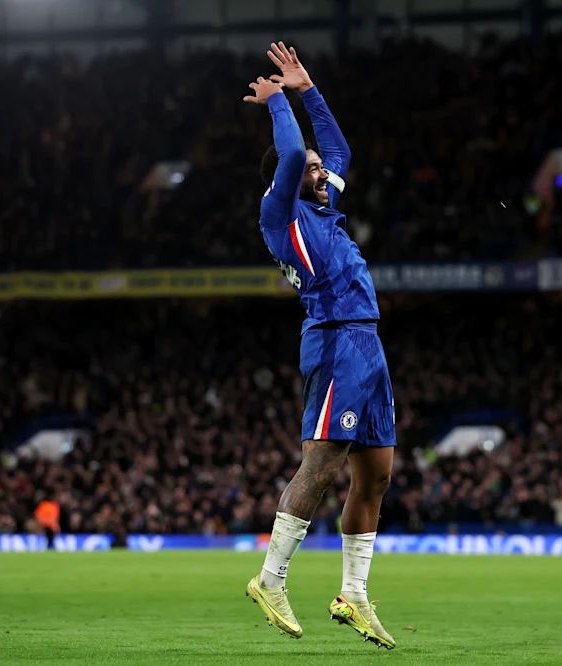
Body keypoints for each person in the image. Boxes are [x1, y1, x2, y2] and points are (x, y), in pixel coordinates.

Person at [242, 42, 396, 649]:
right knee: (323, 463)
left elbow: (338, 151)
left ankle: (353, 595)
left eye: (316, 169)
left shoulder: (323, 207)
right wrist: (279, 102)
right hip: (335, 343)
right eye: (310, 170)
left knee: (377, 475)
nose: (320, 172)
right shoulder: (280, 213)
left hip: (368, 341)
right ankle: (270, 578)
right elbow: (290, 151)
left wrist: (308, 90)